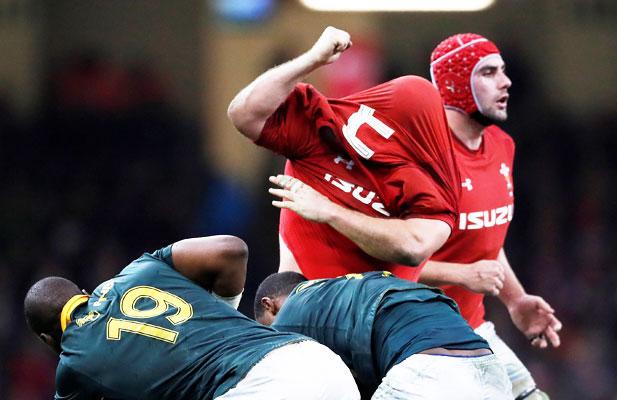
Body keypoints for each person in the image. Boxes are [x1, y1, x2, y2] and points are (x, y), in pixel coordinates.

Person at [227, 26, 461, 281]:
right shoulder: (323, 130)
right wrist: (312, 59)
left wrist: (330, 211)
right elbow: (243, 114)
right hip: (304, 303)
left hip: (378, 313)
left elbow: (413, 246)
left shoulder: (435, 188)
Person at [24, 235, 359, 400]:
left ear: (47, 340)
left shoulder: (72, 367)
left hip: (259, 389)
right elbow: (231, 249)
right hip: (317, 360)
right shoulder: (141, 269)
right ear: (83, 292)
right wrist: (223, 314)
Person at [420, 33, 562, 399]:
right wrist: (462, 274)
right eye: (488, 72)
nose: (506, 81)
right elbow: (382, 265)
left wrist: (515, 299)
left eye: (503, 71)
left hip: (474, 327)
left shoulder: (502, 144)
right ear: (455, 85)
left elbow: (487, 239)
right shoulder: (424, 159)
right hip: (417, 338)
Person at [255, 270, 513, 400]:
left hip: (426, 372)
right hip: (489, 369)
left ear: (270, 305)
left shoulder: (287, 318)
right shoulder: (350, 289)